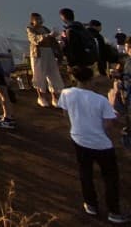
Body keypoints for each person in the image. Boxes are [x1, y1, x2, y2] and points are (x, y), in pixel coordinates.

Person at [57, 65, 129, 223]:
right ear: (91, 80)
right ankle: (114, 212)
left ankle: (91, 205)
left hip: (79, 139)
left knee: (85, 173)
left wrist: (75, 129)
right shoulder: (100, 100)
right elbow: (108, 124)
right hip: (101, 144)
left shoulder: (66, 93)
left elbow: (65, 114)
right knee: (110, 177)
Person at [27, 12, 65, 107]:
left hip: (49, 53)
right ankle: (41, 98)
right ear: (32, 21)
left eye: (40, 19)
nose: (40, 21)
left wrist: (57, 41)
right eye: (37, 19)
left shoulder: (45, 29)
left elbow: (53, 41)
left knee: (53, 74)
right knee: (39, 75)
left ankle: (55, 98)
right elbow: (35, 39)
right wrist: (48, 36)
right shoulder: (30, 29)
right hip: (38, 54)